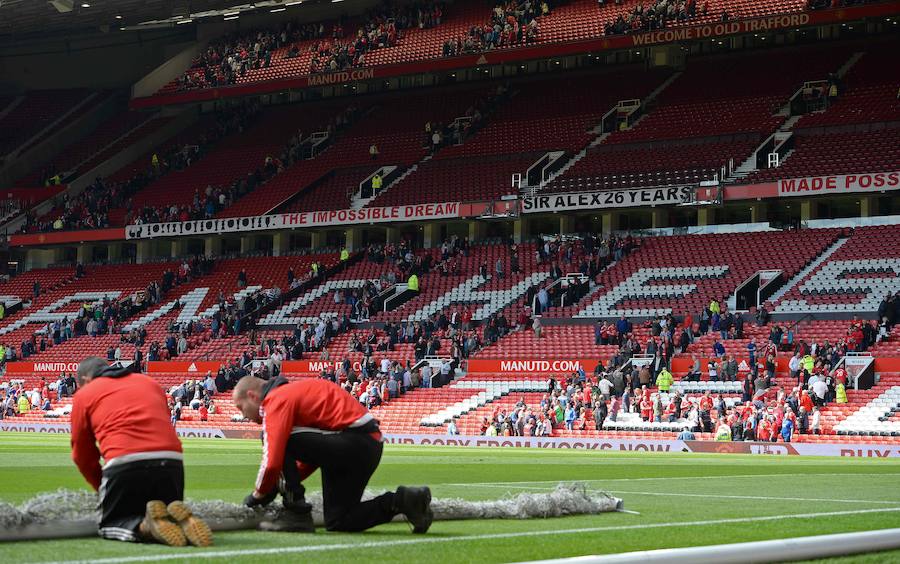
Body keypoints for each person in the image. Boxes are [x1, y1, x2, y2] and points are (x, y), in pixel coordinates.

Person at [233, 376, 433, 533]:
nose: (243, 415)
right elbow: (315, 455)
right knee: (339, 520)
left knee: (272, 437)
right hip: (365, 445)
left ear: (252, 396)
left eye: (241, 408)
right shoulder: (291, 394)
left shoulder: (275, 400)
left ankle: (296, 514)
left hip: (354, 440)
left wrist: (258, 494)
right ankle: (403, 501)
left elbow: (272, 461)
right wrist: (278, 485)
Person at [71, 357, 212, 546]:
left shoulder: (86, 393)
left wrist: (101, 487)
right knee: (163, 509)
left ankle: (145, 526)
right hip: (171, 463)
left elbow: (82, 454)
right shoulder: (149, 382)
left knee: (109, 523)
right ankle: (179, 519)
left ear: (86, 380)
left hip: (125, 462)